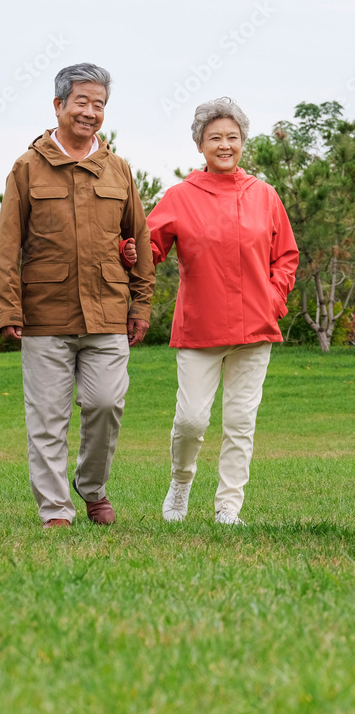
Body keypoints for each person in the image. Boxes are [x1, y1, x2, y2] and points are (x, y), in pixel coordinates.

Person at [0, 63, 155, 528]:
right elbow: (8, 245)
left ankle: (92, 486)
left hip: (107, 311)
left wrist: (140, 304)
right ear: (59, 105)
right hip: (45, 313)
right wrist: (9, 306)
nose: (90, 112)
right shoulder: (27, 168)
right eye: (82, 101)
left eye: (99, 104)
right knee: (47, 418)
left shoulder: (118, 168)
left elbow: (139, 241)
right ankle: (55, 510)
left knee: (106, 404)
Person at [141, 98, 299, 525]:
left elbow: (285, 256)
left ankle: (228, 506)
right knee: (191, 420)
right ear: (199, 144)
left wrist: (273, 298)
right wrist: (124, 249)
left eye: (233, 137)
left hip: (256, 328)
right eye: (215, 138)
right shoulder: (179, 197)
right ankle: (181, 481)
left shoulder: (264, 195)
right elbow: (147, 248)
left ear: (243, 142)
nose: (225, 145)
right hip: (199, 329)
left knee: (240, 422)